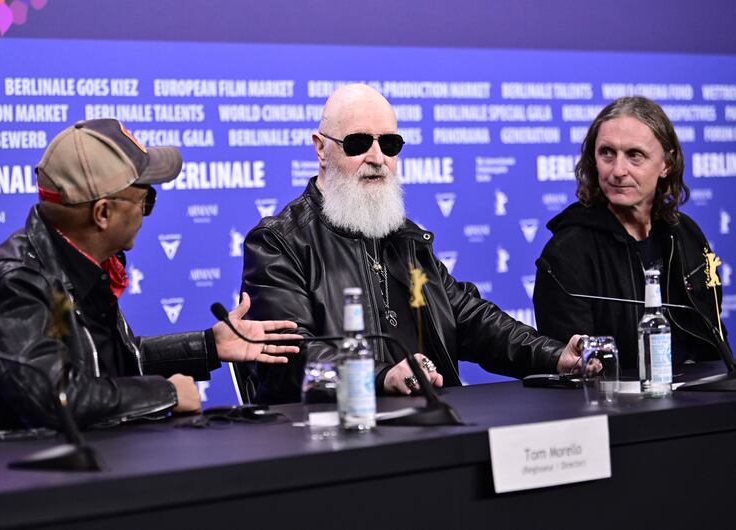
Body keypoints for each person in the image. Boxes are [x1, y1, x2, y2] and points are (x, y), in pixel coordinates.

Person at [241, 84, 582, 405]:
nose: (377, 157)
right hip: (332, 436)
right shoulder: (279, 242)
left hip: (428, 422)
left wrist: (554, 356)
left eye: (389, 145)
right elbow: (290, 356)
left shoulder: (405, 237)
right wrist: (380, 377)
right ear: (321, 148)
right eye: (358, 143)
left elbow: (469, 319)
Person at [0, 119, 300, 433]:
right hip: (31, 484)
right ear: (103, 213)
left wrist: (209, 345)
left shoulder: (80, 265)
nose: (146, 213)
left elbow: (107, 365)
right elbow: (57, 397)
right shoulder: (17, 282)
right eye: (146, 200)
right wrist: (165, 393)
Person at [534, 96, 729, 370]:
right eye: (607, 153)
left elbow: (715, 342)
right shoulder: (566, 252)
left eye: (634, 155)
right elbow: (574, 370)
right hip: (614, 407)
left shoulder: (687, 236)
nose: (618, 171)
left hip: (698, 402)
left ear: (666, 164)